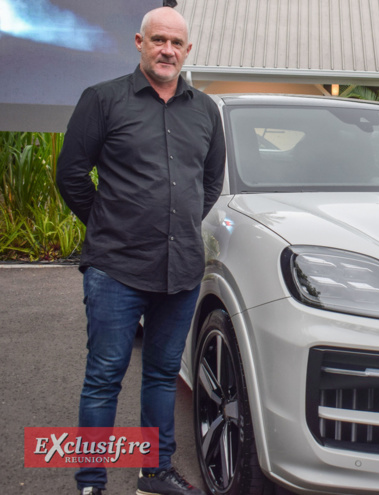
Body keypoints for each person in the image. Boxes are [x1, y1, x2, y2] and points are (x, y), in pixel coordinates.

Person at [56, 6, 224, 495]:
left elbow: (209, 182)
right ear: (139, 42)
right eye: (158, 40)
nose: (167, 49)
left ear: (187, 51)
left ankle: (155, 473)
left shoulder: (205, 110)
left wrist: (178, 224)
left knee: (162, 375)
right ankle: (91, 482)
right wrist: (110, 224)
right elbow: (71, 174)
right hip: (116, 269)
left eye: (176, 43)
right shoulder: (103, 100)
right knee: (104, 377)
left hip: (182, 269)